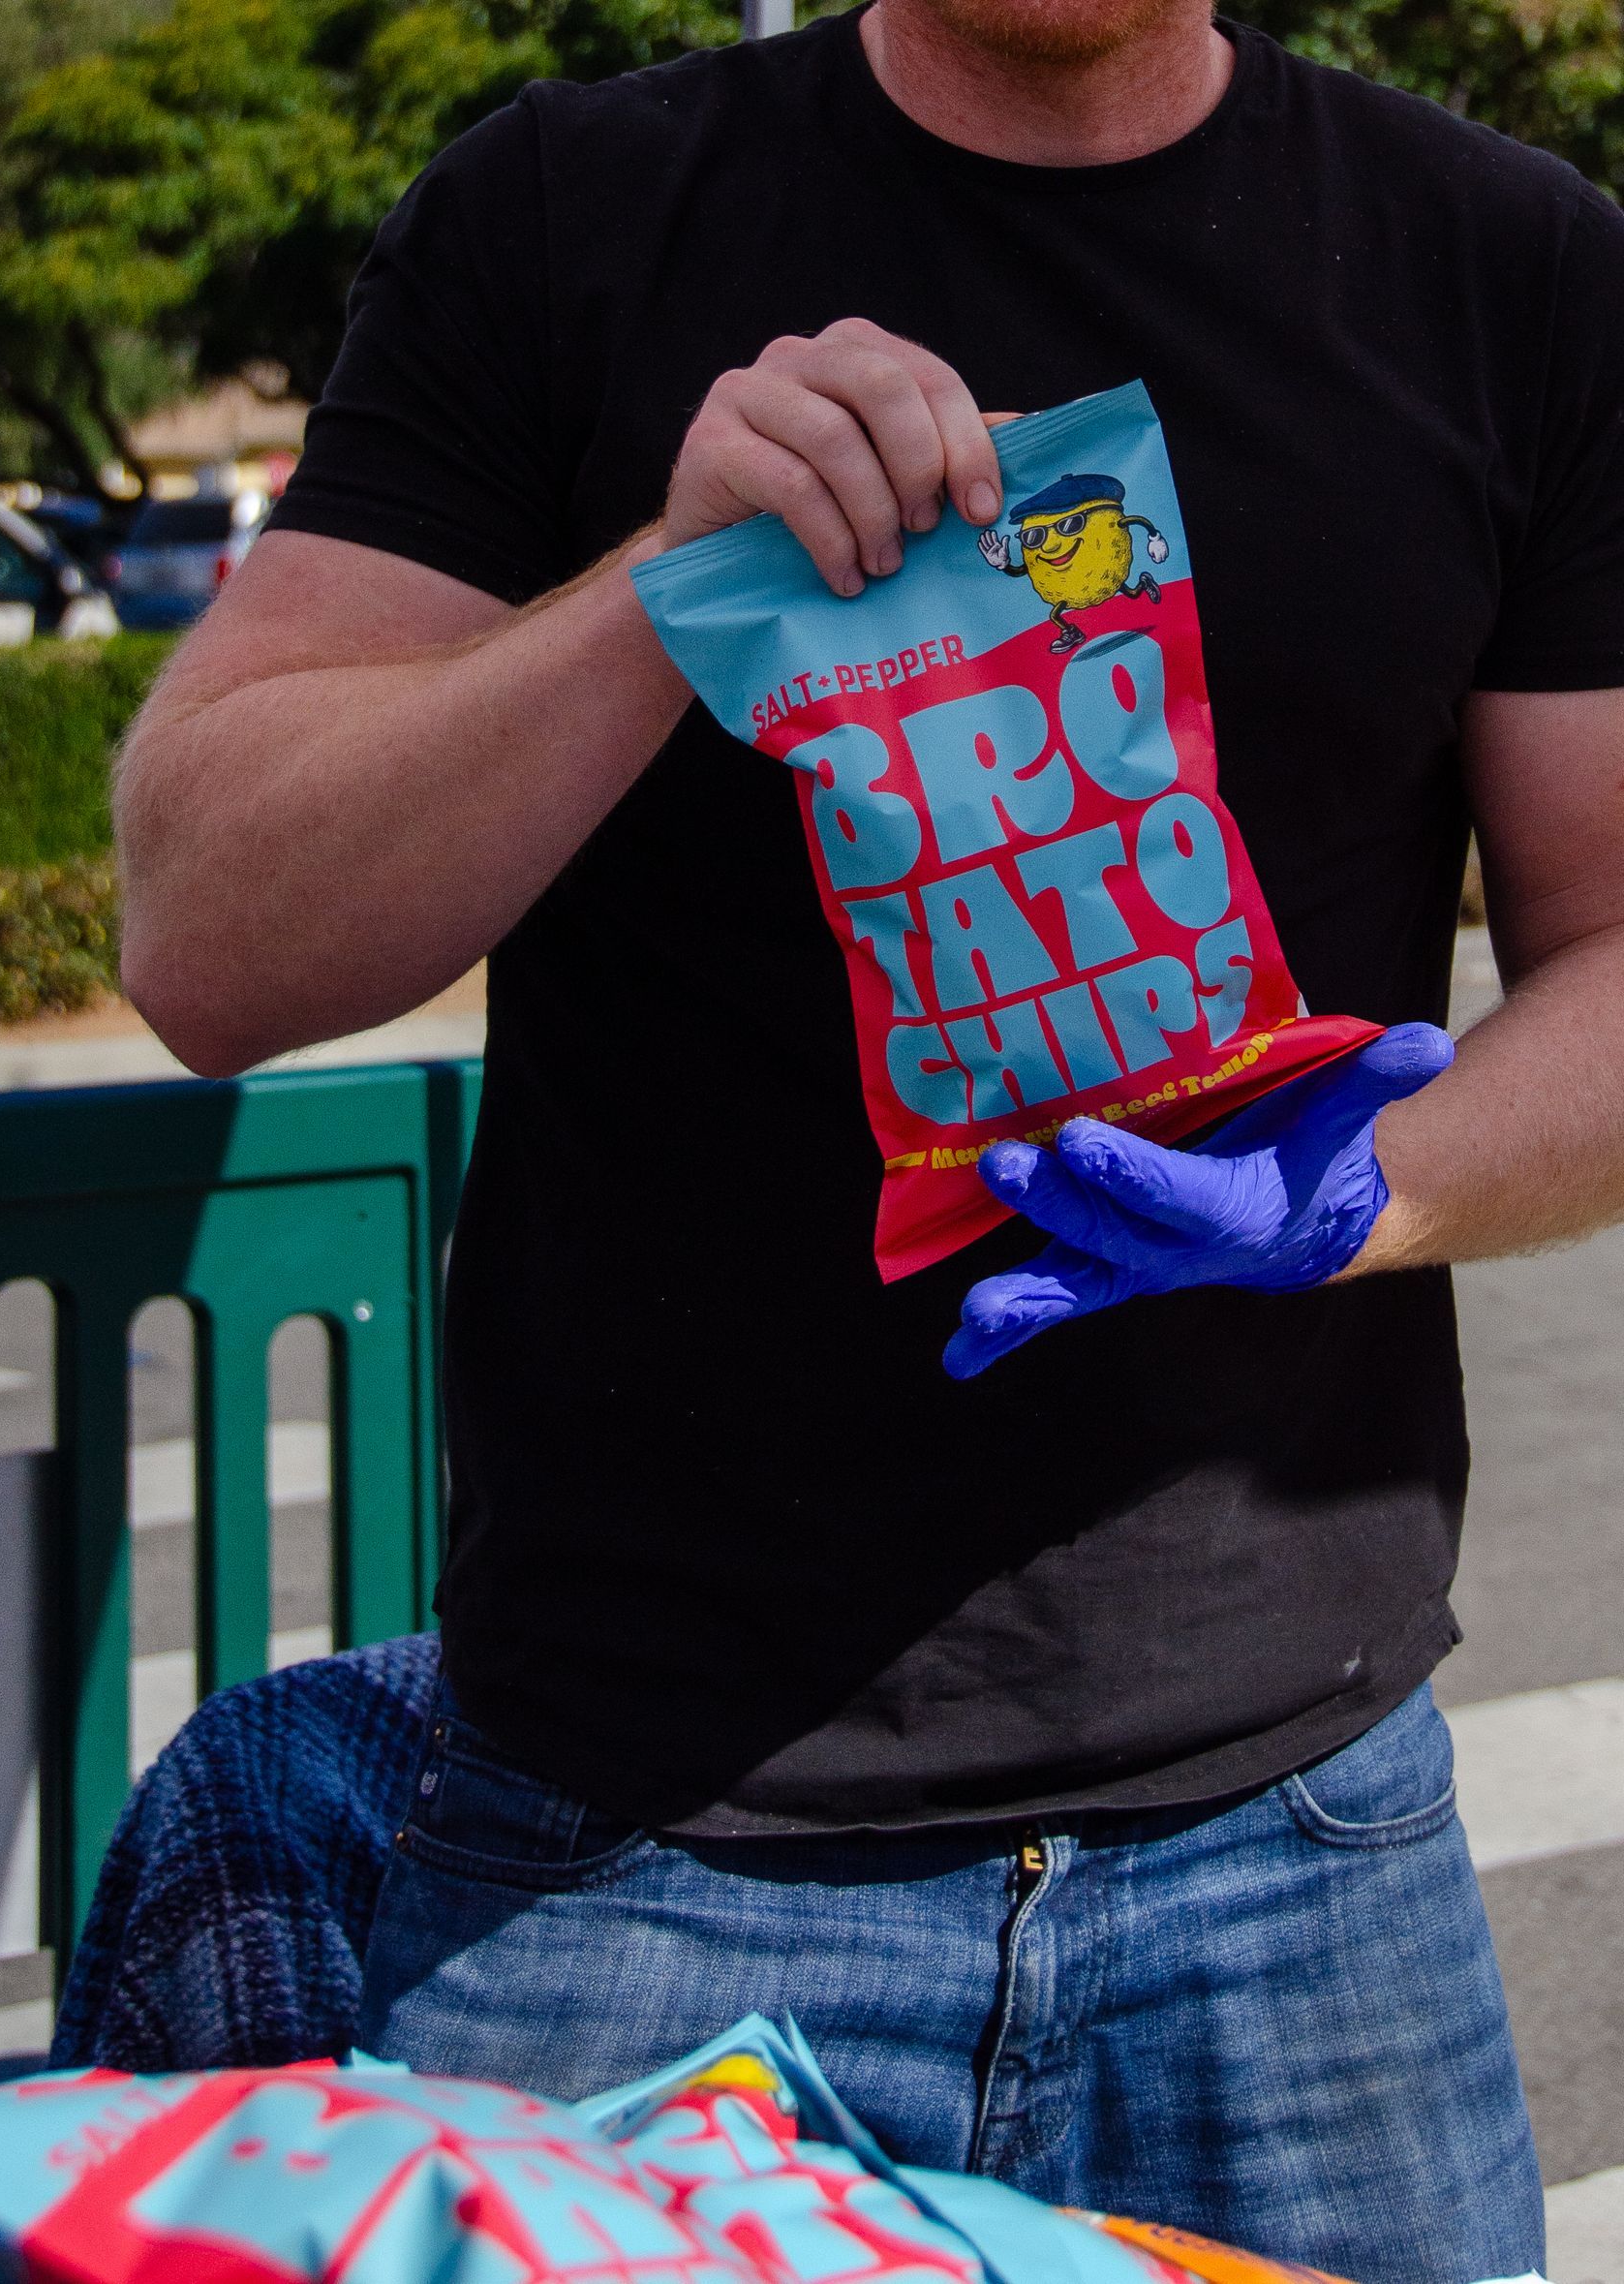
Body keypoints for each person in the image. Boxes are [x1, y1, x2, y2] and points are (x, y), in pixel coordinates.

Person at [110, 0, 1624, 2266]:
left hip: (1306, 1860)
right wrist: (661, 593)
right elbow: (209, 937)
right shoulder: (567, 218)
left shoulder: (1512, 264)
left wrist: (1364, 1194)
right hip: (639, 1864)